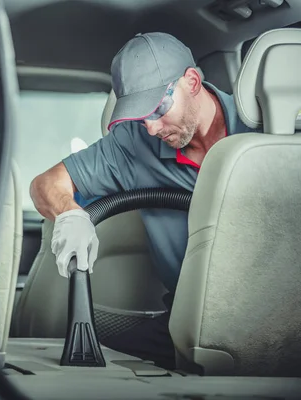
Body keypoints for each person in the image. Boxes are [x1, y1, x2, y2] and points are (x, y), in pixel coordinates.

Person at [29, 32, 255, 369]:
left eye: (159, 108)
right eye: (139, 115)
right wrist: (71, 215)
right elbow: (46, 184)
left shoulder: (272, 130)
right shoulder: (134, 145)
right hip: (190, 319)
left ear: (192, 81)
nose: (151, 127)